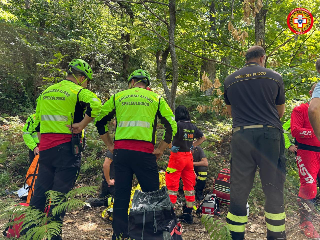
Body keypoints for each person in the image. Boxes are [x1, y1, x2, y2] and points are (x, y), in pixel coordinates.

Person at [95, 69, 177, 240]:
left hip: (121, 153)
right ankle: (149, 234)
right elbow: (171, 125)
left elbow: (100, 120)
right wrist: (161, 148)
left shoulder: (119, 97)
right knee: (152, 196)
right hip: (144, 154)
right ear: (146, 84)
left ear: (131, 82)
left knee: (121, 195)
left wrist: (110, 144)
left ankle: (119, 235)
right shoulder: (156, 98)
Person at [31, 59, 101, 240]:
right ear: (82, 77)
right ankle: (55, 237)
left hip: (45, 149)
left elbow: (37, 123)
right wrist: (81, 125)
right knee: (59, 197)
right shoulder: (77, 91)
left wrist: (44, 143)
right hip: (67, 149)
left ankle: (29, 233)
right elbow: (97, 105)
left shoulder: (46, 92)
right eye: (87, 80)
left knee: (40, 191)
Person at [223, 46, 286, 240]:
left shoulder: (230, 80)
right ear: (262, 58)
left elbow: (230, 111)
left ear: (246, 59)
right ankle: (275, 236)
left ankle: (236, 236)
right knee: (273, 186)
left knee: (239, 189)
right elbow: (280, 112)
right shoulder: (275, 77)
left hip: (241, 135)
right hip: (269, 135)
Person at [166, 105, 206, 224]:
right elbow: (203, 138)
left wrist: (170, 148)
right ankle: (188, 213)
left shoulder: (177, 125)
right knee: (189, 185)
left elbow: (167, 137)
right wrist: (193, 145)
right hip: (188, 157)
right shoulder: (192, 126)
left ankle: (170, 215)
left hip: (177, 157)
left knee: (172, 186)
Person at [291, 83, 320, 238]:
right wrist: (315, 133)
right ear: (311, 93)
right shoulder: (300, 109)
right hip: (307, 152)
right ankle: (305, 222)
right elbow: (295, 130)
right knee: (309, 185)